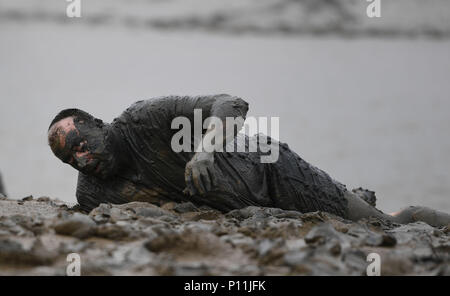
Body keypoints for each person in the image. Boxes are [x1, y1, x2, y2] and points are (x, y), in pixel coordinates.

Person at [48, 94, 450, 226]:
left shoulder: (144, 120)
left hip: (271, 169)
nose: (81, 161)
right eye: (70, 160)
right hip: (240, 208)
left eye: (80, 145)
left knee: (384, 227)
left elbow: (231, 103)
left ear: (97, 125)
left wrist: (205, 149)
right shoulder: (92, 194)